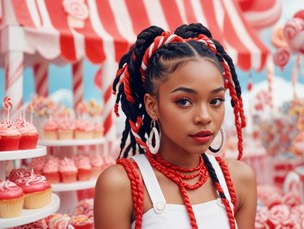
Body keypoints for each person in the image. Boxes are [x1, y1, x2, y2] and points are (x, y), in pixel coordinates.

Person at [94, 23, 257, 229]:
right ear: (152, 106)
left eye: (215, 100)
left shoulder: (240, 180)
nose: (204, 117)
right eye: (184, 101)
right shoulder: (121, 185)